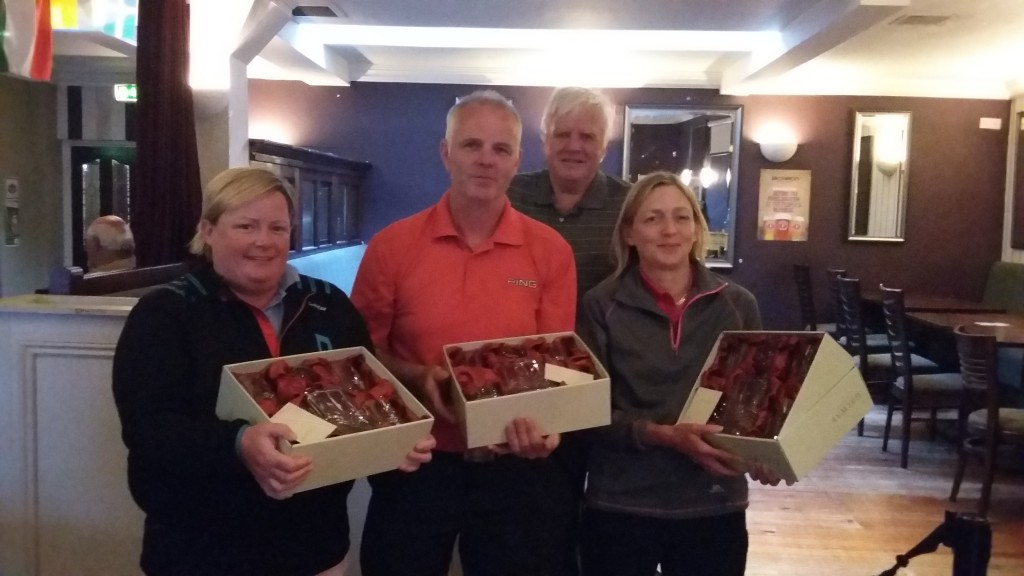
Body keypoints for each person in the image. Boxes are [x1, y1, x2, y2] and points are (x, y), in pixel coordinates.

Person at [111, 167, 434, 576]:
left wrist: (393, 445)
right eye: (246, 226)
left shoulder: (331, 306)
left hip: (316, 547)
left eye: (277, 228)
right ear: (208, 230)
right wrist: (239, 442)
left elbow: (366, 401)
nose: (263, 241)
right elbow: (148, 429)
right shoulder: (165, 314)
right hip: (199, 550)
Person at [351, 90, 578, 576]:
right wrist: (417, 375)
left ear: (517, 160)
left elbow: (556, 363)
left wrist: (547, 426)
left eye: (501, 149)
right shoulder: (393, 247)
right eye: (471, 144)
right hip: (416, 461)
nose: (485, 160)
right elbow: (360, 354)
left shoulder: (551, 251)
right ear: (445, 152)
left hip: (515, 468)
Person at [578, 171, 780, 576]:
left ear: (697, 229)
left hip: (713, 501)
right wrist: (663, 435)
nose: (669, 230)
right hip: (621, 503)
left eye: (681, 217)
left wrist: (767, 453)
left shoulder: (739, 305)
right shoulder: (600, 305)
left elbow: (759, 407)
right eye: (652, 219)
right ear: (630, 234)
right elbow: (586, 414)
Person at [508, 86, 629, 313]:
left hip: (602, 346)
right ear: (546, 141)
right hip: (521, 344)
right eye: (562, 134)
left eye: (587, 137)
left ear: (603, 147)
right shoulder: (510, 195)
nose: (574, 146)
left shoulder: (630, 205)